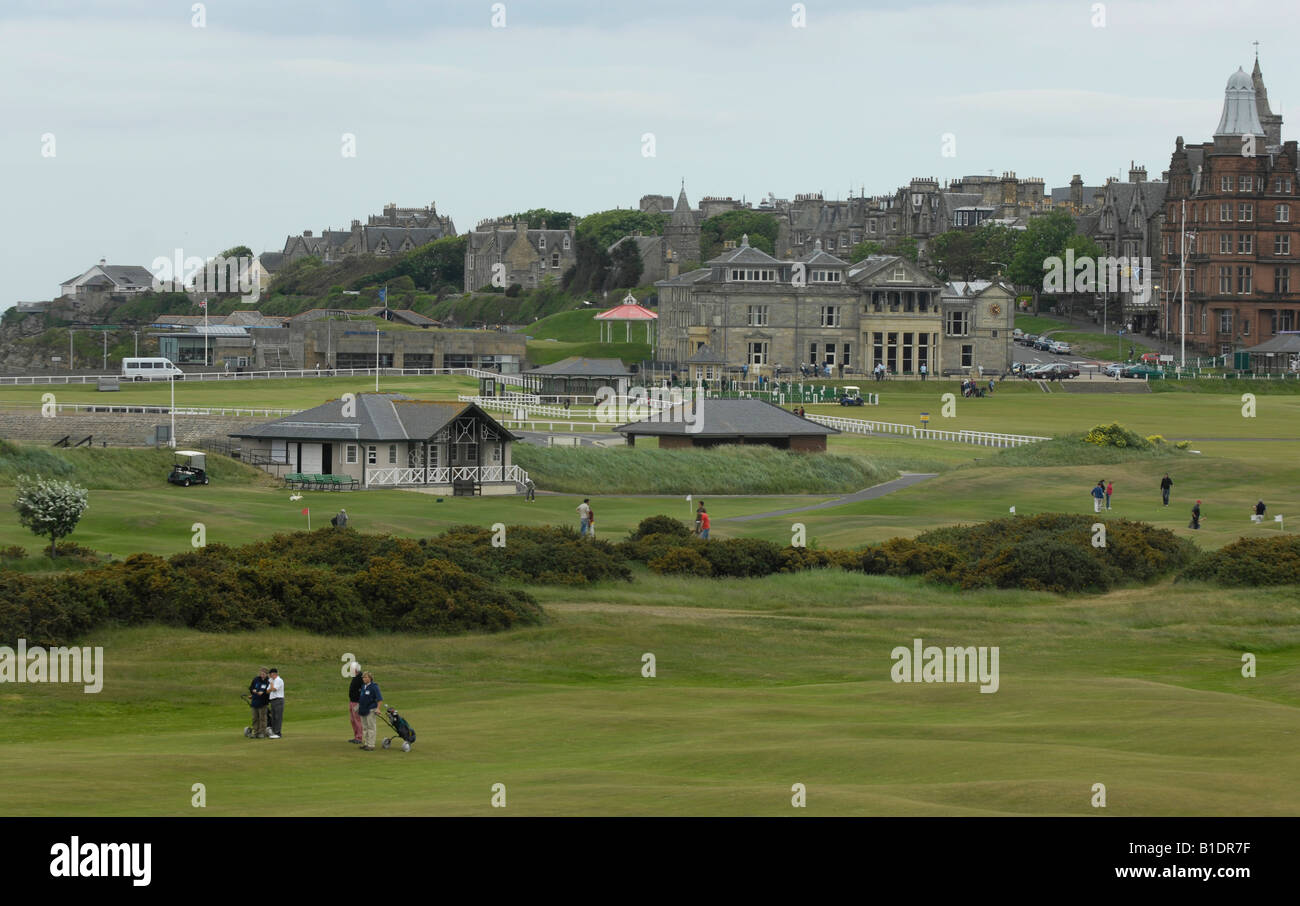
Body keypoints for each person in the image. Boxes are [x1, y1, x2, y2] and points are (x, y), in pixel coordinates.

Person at [356, 671, 383, 751]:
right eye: (363, 677)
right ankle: (366, 743)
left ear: (370, 678)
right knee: (364, 727)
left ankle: (371, 745)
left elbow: (380, 699)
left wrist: (378, 708)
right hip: (362, 709)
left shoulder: (374, 687)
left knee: (371, 727)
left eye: (366, 677)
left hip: (371, 709)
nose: (364, 679)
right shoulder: (363, 686)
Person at [248, 668, 270, 739]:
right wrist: (253, 691)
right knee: (255, 718)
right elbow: (251, 688)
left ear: (267, 674)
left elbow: (269, 692)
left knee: (262, 718)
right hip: (255, 701)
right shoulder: (256, 679)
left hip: (263, 702)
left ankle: (262, 732)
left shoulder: (268, 681)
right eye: (261, 674)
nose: (262, 675)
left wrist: (263, 693)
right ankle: (255, 732)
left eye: (263, 674)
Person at [348, 661, 364, 744]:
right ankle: (356, 736)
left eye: (351, 669)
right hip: (352, 701)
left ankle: (359, 737)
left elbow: (363, 689)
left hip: (357, 702)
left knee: (357, 720)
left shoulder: (361, 677)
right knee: (352, 720)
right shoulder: (355, 676)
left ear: (356, 669)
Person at [267, 668, 284, 739]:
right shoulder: (273, 680)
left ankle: (278, 733)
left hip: (278, 699)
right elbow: (267, 691)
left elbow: (273, 689)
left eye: (271, 675)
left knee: (278, 717)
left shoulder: (279, 680)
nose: (270, 676)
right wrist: (271, 686)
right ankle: (274, 732)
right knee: (273, 717)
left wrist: (271, 683)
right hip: (273, 700)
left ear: (274, 674)